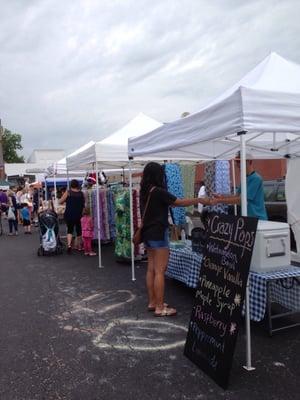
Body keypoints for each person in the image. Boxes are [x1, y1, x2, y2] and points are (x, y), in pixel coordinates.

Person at [140, 162, 216, 317]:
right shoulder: (159, 191)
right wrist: (198, 201)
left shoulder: (145, 191)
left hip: (147, 234)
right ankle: (160, 307)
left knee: (151, 269)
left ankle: (153, 302)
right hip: (159, 233)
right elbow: (179, 203)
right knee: (160, 271)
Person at [213, 153, 268, 220]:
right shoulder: (245, 178)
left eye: (239, 161)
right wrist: (221, 196)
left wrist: (219, 200)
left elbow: (241, 200)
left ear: (249, 161)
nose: (237, 164)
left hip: (257, 218)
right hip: (249, 218)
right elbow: (236, 196)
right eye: (236, 161)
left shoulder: (256, 178)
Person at [59, 179, 85, 253]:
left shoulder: (68, 192)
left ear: (71, 185)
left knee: (70, 230)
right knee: (79, 230)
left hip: (69, 213)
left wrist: (65, 201)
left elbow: (60, 201)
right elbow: (83, 204)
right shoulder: (81, 193)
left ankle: (69, 245)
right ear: (77, 185)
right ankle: (79, 246)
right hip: (79, 214)